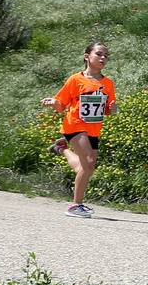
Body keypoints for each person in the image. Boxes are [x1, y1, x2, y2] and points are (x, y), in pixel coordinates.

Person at [41, 40, 117, 218]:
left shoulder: (108, 84)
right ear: (87, 57)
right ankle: (76, 205)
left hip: (94, 129)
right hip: (74, 124)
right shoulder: (76, 79)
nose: (103, 57)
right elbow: (62, 104)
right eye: (99, 54)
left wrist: (112, 109)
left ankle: (62, 149)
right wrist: (53, 102)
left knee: (87, 167)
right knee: (89, 162)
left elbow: (107, 109)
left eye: (106, 55)